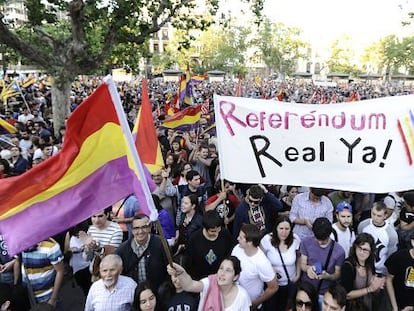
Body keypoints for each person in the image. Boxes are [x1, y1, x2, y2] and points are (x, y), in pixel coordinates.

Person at [167, 256, 251, 311]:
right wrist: (181, 273)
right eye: (221, 268)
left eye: (228, 270)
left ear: (236, 276)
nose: (222, 273)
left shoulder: (242, 296)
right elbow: (190, 285)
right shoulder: (210, 283)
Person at [116, 214, 168, 292]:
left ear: (149, 228)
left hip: (157, 293)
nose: (140, 232)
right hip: (133, 294)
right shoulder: (122, 250)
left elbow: (168, 268)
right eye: (136, 228)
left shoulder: (161, 243)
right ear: (132, 230)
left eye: (144, 227)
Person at [231, 224, 278, 309]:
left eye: (241, 238)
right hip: (235, 301)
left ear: (249, 242)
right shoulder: (237, 249)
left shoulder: (262, 262)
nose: (238, 239)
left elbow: (273, 287)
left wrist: (255, 303)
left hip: (250, 305)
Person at [260, 215, 301, 311]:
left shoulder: (295, 240)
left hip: (289, 283)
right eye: (281, 228)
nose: (284, 232)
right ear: (276, 228)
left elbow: (299, 257)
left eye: (287, 229)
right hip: (272, 283)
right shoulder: (267, 240)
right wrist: (270, 269)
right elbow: (260, 258)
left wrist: (298, 275)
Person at [300, 217, 345, 296]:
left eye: (323, 240)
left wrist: (328, 276)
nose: (320, 243)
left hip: (325, 292)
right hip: (306, 289)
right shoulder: (305, 242)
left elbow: (337, 274)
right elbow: (302, 264)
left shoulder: (339, 251)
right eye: (317, 239)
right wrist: (308, 269)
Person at [339, 233, 385, 311]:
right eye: (359, 248)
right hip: (352, 307)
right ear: (355, 247)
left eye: (365, 250)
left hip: (368, 305)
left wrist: (377, 285)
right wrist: (369, 289)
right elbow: (347, 294)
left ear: (371, 251)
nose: (362, 252)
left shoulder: (370, 262)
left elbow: (373, 284)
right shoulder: (348, 266)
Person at [186, 210, 235, 280]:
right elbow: (189, 262)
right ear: (205, 228)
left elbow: (229, 255)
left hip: (220, 277)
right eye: (213, 231)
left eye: (219, 229)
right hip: (200, 279)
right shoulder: (194, 239)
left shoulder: (225, 234)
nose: (216, 233)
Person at [357, 201, 398, 275]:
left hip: (379, 271)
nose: (375, 218)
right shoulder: (363, 225)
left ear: (385, 216)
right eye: (373, 214)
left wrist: (386, 273)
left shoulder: (391, 234)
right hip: (361, 266)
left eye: (379, 216)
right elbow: (357, 245)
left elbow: (391, 256)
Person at [21, 238, 65, 307]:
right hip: (29, 295)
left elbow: (60, 271)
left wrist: (53, 298)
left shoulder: (51, 246)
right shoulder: (22, 243)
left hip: (47, 296)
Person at [84, 209, 123, 281]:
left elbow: (111, 257)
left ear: (107, 215)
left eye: (100, 216)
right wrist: (88, 249)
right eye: (94, 216)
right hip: (95, 271)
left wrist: (96, 247)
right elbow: (87, 258)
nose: (96, 220)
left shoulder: (116, 230)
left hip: (111, 272)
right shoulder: (91, 229)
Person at [385, 230, 414, 311]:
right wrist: (395, 308)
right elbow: (388, 280)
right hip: (397, 303)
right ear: (412, 242)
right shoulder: (399, 257)